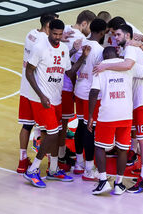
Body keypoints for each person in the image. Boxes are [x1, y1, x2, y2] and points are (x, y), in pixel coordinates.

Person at [23, 19, 91, 188]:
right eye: (54, 34)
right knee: (52, 134)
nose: (57, 37)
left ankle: (53, 170)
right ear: (49, 31)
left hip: (56, 98)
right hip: (42, 99)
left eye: (60, 35)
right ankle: (32, 169)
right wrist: (40, 95)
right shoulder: (39, 47)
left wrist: (83, 56)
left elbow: (70, 71)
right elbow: (29, 73)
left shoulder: (62, 49)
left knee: (58, 132)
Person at [92, 25, 143, 193]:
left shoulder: (128, 49)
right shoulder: (127, 55)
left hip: (142, 101)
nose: (115, 37)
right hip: (131, 109)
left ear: (127, 35)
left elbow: (128, 65)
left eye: (117, 34)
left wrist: (105, 66)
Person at [17, 13, 57, 173]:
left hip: (25, 88)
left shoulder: (31, 34)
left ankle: (22, 160)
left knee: (26, 125)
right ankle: (47, 161)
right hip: (38, 91)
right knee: (48, 128)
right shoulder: (43, 43)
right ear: (48, 26)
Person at [60, 10, 97, 172]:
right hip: (70, 87)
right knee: (70, 124)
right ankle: (63, 158)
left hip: (56, 84)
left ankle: (66, 157)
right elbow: (72, 70)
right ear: (84, 24)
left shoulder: (65, 30)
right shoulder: (79, 39)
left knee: (63, 123)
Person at [72, 18, 107, 179]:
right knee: (89, 129)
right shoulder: (100, 51)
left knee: (80, 125)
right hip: (91, 94)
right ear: (102, 33)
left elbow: (73, 65)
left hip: (79, 89)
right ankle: (88, 168)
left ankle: (78, 163)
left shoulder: (81, 44)